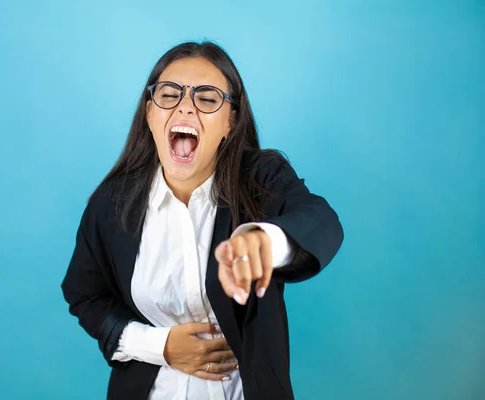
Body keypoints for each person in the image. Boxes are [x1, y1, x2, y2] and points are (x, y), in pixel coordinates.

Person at [61, 41, 343, 400]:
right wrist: (158, 345)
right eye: (169, 94)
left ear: (231, 120)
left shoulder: (261, 179)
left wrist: (267, 241)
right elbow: (84, 296)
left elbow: (322, 221)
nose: (185, 107)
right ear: (149, 113)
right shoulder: (111, 204)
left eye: (207, 99)